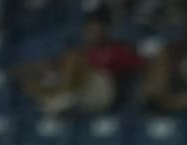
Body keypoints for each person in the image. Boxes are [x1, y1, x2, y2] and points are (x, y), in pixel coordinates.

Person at [13, 11, 142, 114]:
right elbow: (55, 66)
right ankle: (58, 97)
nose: (93, 34)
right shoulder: (82, 51)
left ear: (106, 30)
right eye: (89, 30)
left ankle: (59, 97)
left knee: (73, 58)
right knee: (36, 72)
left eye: (97, 30)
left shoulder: (117, 48)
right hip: (81, 94)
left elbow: (138, 66)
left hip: (105, 92)